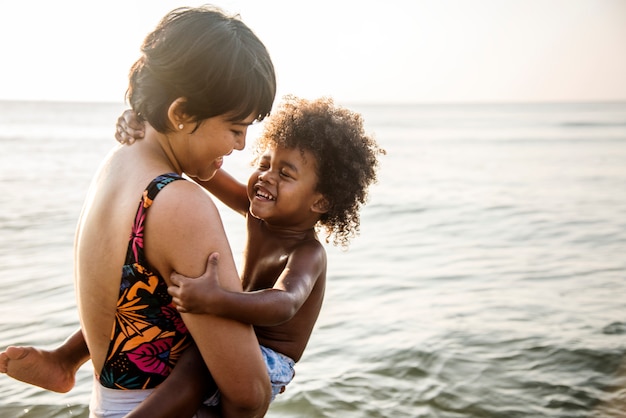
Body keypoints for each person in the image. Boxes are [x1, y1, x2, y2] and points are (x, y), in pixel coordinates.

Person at [1, 96, 384, 416]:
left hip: (268, 359)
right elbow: (204, 172)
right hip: (238, 325)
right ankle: (66, 360)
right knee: (148, 301)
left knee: (197, 363)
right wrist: (148, 123)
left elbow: (284, 303)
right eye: (264, 164)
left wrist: (218, 300)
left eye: (285, 174)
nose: (265, 176)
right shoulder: (256, 211)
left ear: (320, 201)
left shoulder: (307, 253)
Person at [1, 5, 277, 418]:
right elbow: (249, 392)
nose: (240, 145)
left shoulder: (119, 162)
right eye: (236, 128)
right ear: (181, 114)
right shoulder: (180, 204)